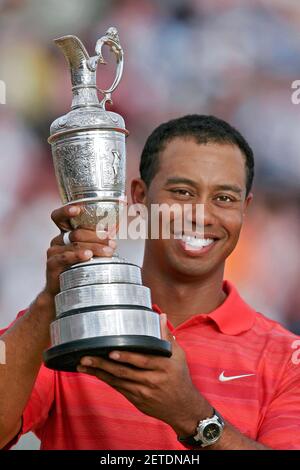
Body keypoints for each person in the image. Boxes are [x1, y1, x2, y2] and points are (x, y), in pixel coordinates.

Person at [1, 114, 300, 450]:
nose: (201, 215)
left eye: (224, 198)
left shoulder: (288, 358)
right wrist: (50, 301)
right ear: (139, 198)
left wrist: (191, 416)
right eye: (183, 192)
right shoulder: (69, 321)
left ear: (244, 210)